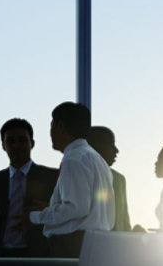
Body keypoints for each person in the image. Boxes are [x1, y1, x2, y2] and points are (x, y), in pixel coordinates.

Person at [29, 102, 114, 258]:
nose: (50, 132)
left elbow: (76, 207)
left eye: (51, 126)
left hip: (73, 245)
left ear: (60, 127)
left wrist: (35, 216)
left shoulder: (73, 159)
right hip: (96, 244)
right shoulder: (97, 159)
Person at [0, 118, 59, 257]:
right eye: (10, 141)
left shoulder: (51, 177)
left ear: (32, 143)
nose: (16, 145)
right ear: (3, 145)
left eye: (22, 140)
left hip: (39, 256)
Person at [86, 126, 131, 232]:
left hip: (115, 245)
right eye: (111, 145)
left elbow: (124, 222)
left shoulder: (119, 180)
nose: (116, 150)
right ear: (96, 147)